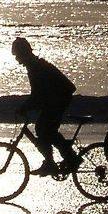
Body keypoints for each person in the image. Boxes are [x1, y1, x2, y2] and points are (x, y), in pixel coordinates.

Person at [11, 36, 80, 177]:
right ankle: (63, 159)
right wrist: (27, 106)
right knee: (45, 130)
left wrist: (24, 107)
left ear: (24, 53)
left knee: (44, 129)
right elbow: (38, 95)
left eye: (17, 55)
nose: (17, 60)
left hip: (60, 99)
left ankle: (58, 161)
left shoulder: (36, 68)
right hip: (55, 99)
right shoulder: (35, 66)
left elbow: (37, 95)